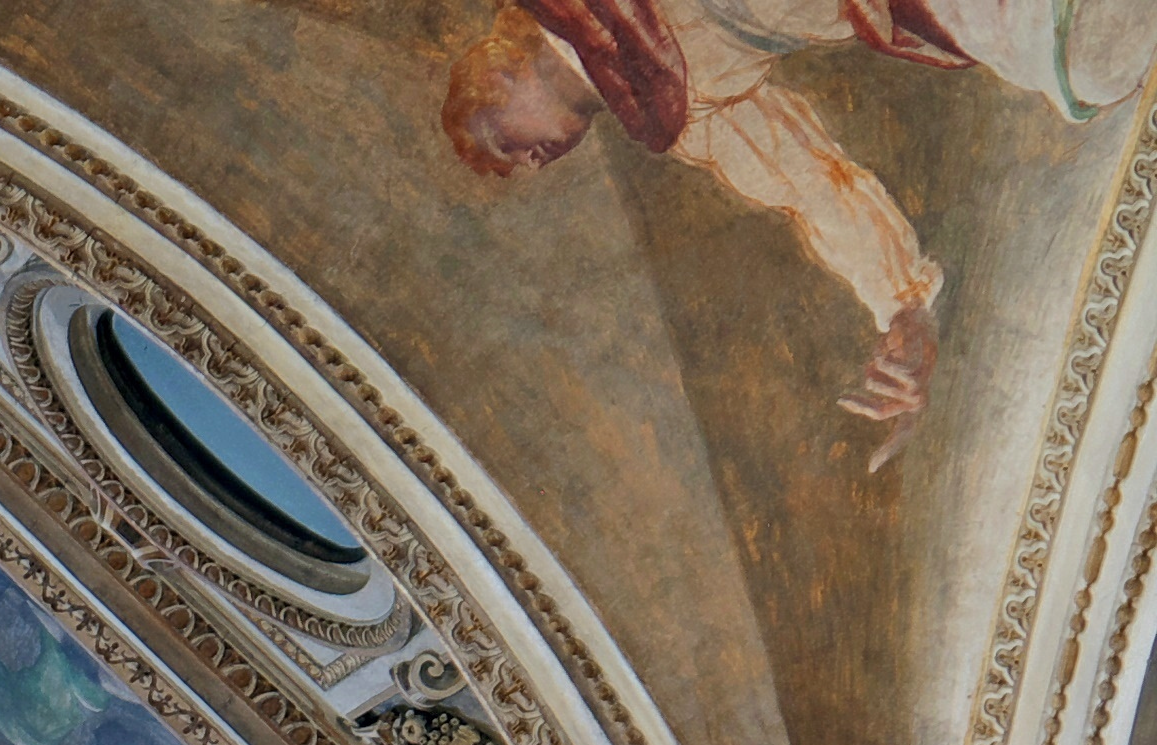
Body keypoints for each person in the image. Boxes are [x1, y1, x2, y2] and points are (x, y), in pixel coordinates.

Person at [432, 0, 1157, 454]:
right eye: (520, 169)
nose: (529, 163)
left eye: (502, 142)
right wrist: (903, 306)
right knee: (1086, 57)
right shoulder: (683, 117)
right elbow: (810, 181)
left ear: (498, 73)